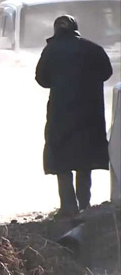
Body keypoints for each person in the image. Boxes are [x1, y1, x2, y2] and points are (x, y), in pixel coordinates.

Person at [35, 15, 113, 218]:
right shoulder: (93, 49)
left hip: (61, 113)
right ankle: (84, 205)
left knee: (62, 158)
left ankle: (68, 206)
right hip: (90, 112)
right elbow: (107, 72)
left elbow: (42, 79)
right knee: (84, 159)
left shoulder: (51, 50)